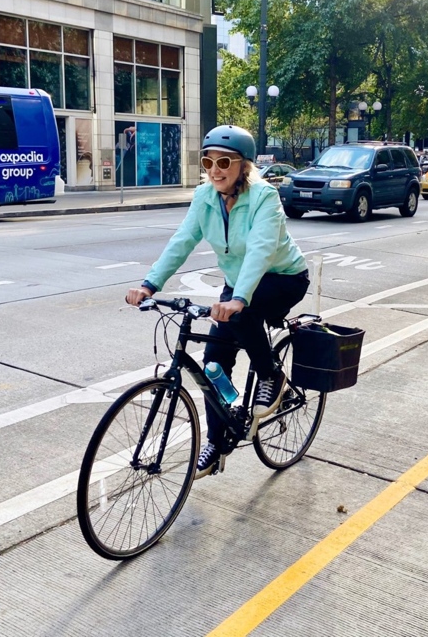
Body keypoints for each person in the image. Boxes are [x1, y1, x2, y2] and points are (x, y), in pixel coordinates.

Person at [125, 125, 310, 477]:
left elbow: (261, 249)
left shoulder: (264, 198)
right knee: (213, 363)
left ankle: (272, 376)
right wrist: (151, 284)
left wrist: (239, 298)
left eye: (224, 161)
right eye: (207, 161)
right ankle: (215, 440)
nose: (214, 169)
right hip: (238, 284)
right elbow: (182, 241)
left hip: (283, 278)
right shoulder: (205, 197)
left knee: (242, 316)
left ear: (244, 165)